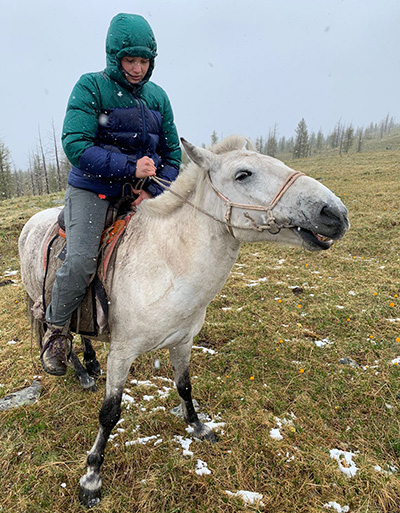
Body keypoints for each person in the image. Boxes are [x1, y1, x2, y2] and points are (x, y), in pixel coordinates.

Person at [40, 13, 181, 376]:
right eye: (130, 60)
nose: (136, 68)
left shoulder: (157, 97)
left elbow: (172, 155)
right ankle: (56, 331)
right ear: (114, 57)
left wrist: (150, 190)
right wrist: (129, 169)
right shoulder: (91, 87)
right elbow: (76, 145)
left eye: (143, 60)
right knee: (82, 259)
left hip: (140, 195)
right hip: (92, 190)